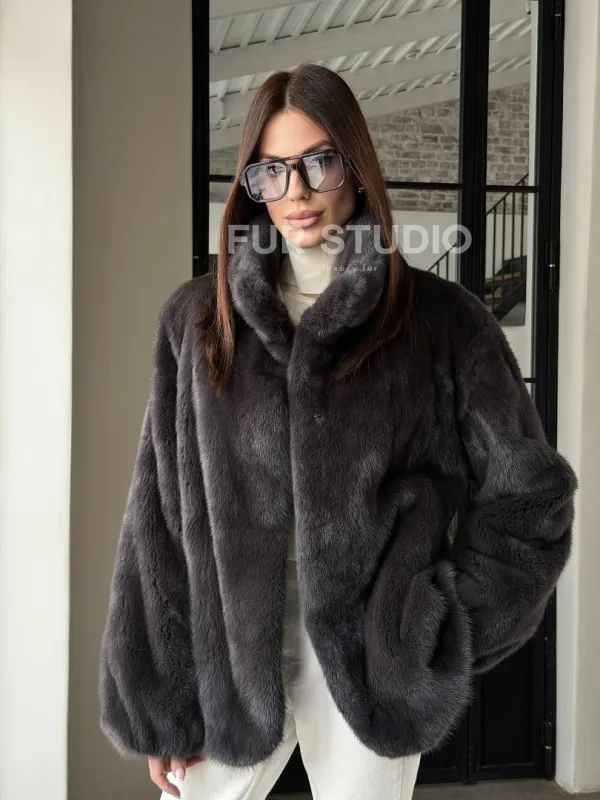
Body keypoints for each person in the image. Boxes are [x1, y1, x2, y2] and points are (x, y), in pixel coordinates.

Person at [98, 63, 578, 800]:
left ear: (356, 166)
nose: (295, 192)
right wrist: (159, 705)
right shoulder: (197, 321)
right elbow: (156, 519)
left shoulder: (440, 322)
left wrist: (435, 631)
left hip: (374, 661)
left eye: (318, 162)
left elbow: (531, 495)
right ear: (252, 185)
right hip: (227, 662)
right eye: (271, 171)